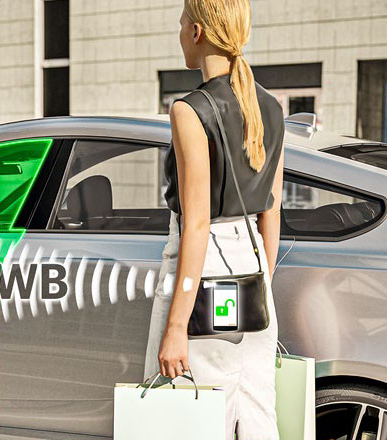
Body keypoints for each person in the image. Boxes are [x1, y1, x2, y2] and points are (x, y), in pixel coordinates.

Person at [143, 1, 285, 439]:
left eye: (182, 23)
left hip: (202, 277)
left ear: (198, 32)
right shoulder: (271, 107)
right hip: (254, 275)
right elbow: (272, 209)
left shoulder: (190, 111)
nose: (179, 31)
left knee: (188, 419)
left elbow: (198, 225)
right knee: (257, 416)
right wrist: (262, 283)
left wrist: (175, 328)